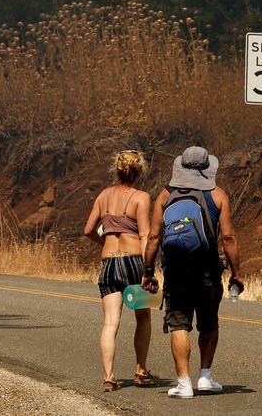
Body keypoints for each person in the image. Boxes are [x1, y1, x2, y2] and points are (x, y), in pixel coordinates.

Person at [142, 145, 243, 399]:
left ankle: (184, 383)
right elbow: (228, 237)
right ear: (208, 167)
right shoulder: (217, 195)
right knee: (209, 323)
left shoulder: (165, 196)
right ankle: (205, 377)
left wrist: (147, 270)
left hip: (175, 271)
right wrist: (236, 272)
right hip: (208, 270)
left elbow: (154, 236)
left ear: (181, 166)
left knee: (179, 325)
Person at [83, 149, 158, 393]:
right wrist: (149, 270)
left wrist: (104, 243)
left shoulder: (103, 196)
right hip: (133, 261)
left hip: (109, 264)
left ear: (116, 169)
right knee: (143, 317)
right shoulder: (141, 197)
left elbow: (88, 230)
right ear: (139, 171)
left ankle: (109, 377)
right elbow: (145, 234)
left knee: (110, 322)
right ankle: (140, 370)